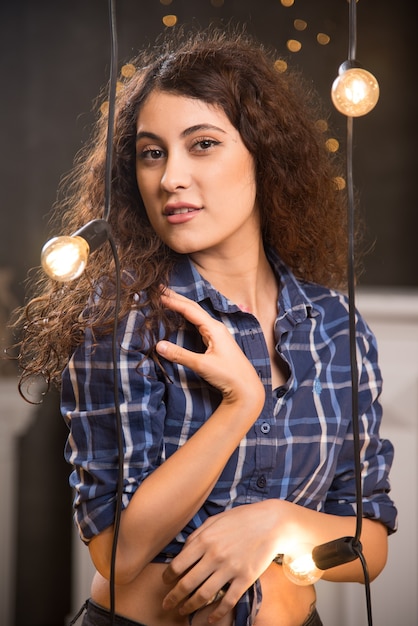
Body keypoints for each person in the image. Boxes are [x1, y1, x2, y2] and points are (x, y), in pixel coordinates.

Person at [11, 25, 397, 626]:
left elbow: (369, 544)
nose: (170, 179)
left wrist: (275, 525)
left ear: (263, 157)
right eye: (152, 152)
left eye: (203, 144)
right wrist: (239, 404)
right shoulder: (125, 318)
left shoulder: (334, 327)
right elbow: (120, 551)